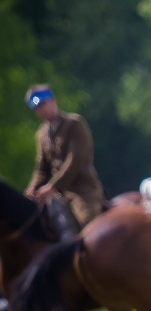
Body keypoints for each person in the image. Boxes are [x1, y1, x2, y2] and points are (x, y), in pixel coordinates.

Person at [24, 84, 105, 234]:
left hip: (82, 191)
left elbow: (76, 160)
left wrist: (53, 185)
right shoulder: (41, 134)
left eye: (44, 103)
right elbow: (42, 168)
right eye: (37, 107)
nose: (42, 109)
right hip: (57, 196)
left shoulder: (74, 123)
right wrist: (31, 189)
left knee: (88, 228)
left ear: (53, 100)